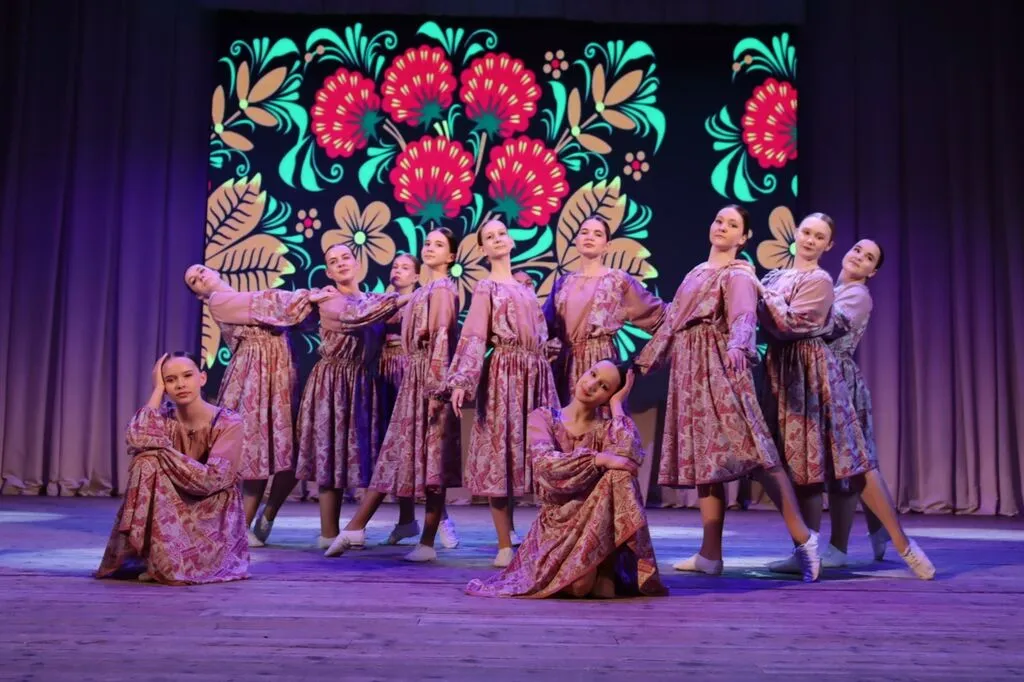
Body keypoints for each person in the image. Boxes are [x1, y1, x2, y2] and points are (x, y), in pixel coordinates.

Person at [635, 206, 820, 581]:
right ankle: (710, 554)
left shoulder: (738, 273)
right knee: (707, 459)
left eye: (732, 225)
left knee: (755, 451)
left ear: (744, 237)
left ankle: (804, 538)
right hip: (690, 368)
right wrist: (643, 353)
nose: (722, 227)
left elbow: (743, 315)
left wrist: (738, 345)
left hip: (719, 364)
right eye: (719, 220)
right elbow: (673, 321)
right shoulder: (696, 272)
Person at [759, 214, 934, 579]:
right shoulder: (805, 280)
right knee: (804, 465)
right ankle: (808, 549)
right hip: (794, 375)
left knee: (852, 464)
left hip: (831, 377)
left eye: (868, 257)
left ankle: (889, 542)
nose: (859, 257)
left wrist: (777, 304)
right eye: (858, 250)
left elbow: (821, 325)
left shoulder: (852, 293)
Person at [466, 359, 666, 598]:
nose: (591, 385)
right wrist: (598, 459)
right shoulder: (544, 417)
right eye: (592, 374)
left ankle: (607, 567)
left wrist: (617, 405)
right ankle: (599, 573)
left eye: (604, 387)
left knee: (620, 474)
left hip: (596, 521)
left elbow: (630, 458)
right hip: (557, 524)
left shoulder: (606, 429)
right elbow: (546, 466)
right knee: (580, 587)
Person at [326, 229, 463, 561]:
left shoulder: (443, 290)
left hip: (428, 380)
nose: (430, 248)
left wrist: (436, 388)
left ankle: (423, 541)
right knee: (396, 453)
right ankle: (363, 528)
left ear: (451, 257)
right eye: (427, 243)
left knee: (432, 461)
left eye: (439, 245)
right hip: (414, 378)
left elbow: (442, 339)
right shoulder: (425, 291)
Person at [442, 219, 559, 567]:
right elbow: (475, 334)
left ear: (511, 241)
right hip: (505, 375)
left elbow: (540, 330)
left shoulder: (525, 286)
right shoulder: (486, 288)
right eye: (489, 237)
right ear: (482, 249)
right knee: (500, 453)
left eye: (501, 234)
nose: (497, 239)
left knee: (539, 450)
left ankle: (545, 536)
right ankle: (504, 542)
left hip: (535, 374)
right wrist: (462, 380)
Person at [183, 264, 313, 547]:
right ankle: (242, 526)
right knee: (256, 452)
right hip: (253, 379)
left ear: (215, 271)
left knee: (293, 453)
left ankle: (269, 513)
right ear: (199, 295)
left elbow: (297, 318)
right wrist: (310, 296)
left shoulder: (242, 297)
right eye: (194, 281)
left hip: (281, 376)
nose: (200, 277)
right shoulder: (220, 302)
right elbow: (270, 302)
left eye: (201, 271)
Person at [96, 352, 249, 585]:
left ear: (202, 378)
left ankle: (169, 560)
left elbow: (212, 480)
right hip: (170, 505)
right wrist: (157, 390)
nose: (180, 384)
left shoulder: (228, 422)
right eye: (170, 380)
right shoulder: (164, 417)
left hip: (210, 512)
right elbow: (136, 438)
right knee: (145, 461)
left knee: (152, 456)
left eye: (187, 376)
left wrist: (163, 453)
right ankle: (152, 556)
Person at [294, 244, 409, 547]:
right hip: (332, 380)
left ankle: (366, 525)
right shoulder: (329, 299)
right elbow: (357, 317)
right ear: (329, 272)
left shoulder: (373, 300)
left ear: (357, 264)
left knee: (364, 455)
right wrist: (406, 297)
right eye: (334, 261)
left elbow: (389, 316)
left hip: (362, 382)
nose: (341, 263)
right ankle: (328, 533)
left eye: (346, 257)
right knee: (329, 456)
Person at [544, 216, 664, 404]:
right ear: (576, 241)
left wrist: (643, 361)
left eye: (597, 234)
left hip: (599, 363)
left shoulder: (618, 281)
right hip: (565, 366)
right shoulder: (563, 282)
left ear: (607, 245)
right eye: (584, 232)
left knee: (599, 418)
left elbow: (658, 315)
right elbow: (544, 327)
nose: (589, 237)